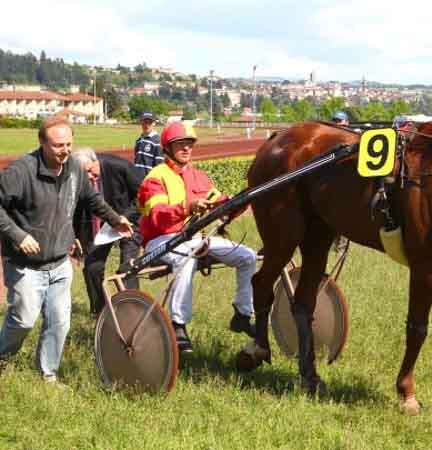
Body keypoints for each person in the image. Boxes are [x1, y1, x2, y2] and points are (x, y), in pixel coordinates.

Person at [0, 116, 133, 383]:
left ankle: (48, 374)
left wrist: (115, 219)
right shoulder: (21, 171)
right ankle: (3, 356)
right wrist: (17, 234)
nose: (65, 150)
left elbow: (91, 198)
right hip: (25, 263)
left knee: (60, 322)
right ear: (41, 143)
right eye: (58, 145)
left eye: (69, 144)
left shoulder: (73, 167)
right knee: (24, 320)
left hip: (60, 261)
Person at [137, 121, 257, 353]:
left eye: (189, 144)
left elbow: (220, 205)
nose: (186, 149)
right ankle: (178, 323)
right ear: (167, 148)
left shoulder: (198, 176)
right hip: (159, 240)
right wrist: (187, 208)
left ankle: (242, 314)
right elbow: (158, 218)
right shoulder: (155, 178)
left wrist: (242, 199)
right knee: (187, 258)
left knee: (247, 256)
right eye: (180, 144)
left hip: (194, 239)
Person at [71, 149, 144, 317]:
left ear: (97, 161)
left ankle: (131, 313)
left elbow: (144, 194)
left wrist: (122, 218)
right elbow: (75, 210)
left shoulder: (119, 166)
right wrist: (76, 237)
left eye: (91, 170)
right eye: (84, 174)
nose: (89, 177)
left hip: (130, 221)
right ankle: (100, 312)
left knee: (128, 267)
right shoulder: (76, 179)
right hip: (102, 228)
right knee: (92, 268)